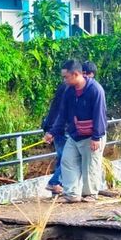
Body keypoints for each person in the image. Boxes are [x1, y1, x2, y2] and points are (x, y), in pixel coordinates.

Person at [45, 60, 107, 203]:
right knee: (67, 161)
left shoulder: (95, 90)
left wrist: (96, 137)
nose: (64, 80)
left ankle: (90, 194)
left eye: (66, 77)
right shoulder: (69, 91)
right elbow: (62, 115)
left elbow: (99, 115)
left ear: (76, 74)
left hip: (92, 136)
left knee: (90, 165)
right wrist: (52, 132)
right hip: (75, 135)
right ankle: (71, 194)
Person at [42, 66, 70, 195]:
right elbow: (62, 112)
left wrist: (50, 129)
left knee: (61, 157)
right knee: (68, 158)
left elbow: (54, 109)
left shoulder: (62, 88)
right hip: (62, 129)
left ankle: (57, 188)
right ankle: (55, 182)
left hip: (56, 128)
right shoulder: (69, 89)